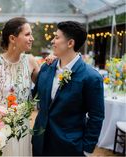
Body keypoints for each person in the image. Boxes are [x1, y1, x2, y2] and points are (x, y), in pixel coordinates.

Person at [32, 21, 105, 156]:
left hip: (69, 147)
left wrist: (86, 149)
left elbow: (96, 116)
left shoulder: (91, 77)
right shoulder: (46, 67)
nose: (53, 41)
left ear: (70, 43)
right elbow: (33, 96)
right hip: (39, 142)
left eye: (57, 37)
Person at [0, 17, 39, 156]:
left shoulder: (30, 62)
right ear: (13, 38)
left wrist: (52, 63)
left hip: (22, 130)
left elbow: (46, 86)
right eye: (27, 34)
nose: (32, 38)